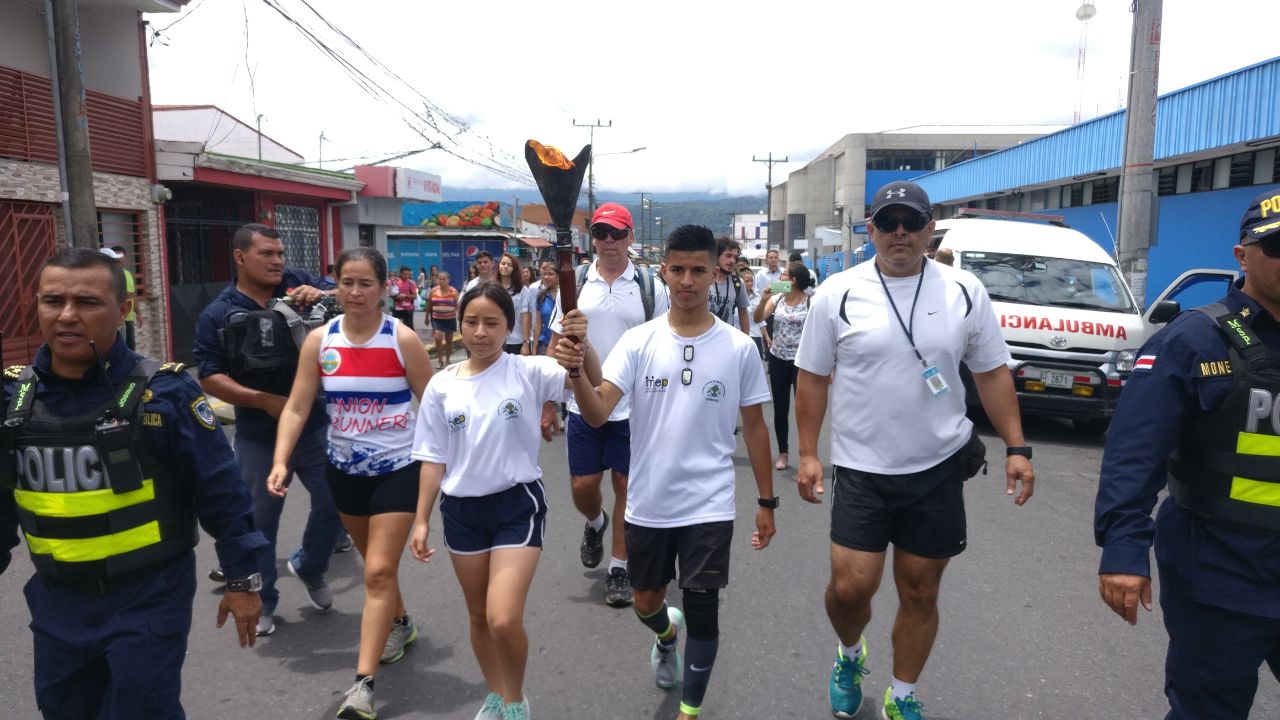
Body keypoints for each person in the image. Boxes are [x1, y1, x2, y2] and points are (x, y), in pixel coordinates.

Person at [793, 181, 1034, 720]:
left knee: (920, 591)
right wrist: (809, 453)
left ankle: (901, 696)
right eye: (887, 221)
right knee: (851, 587)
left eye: (911, 221)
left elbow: (992, 372)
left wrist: (1018, 446)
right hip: (862, 468)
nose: (899, 232)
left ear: (930, 230)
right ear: (871, 230)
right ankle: (850, 653)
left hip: (937, 467)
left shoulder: (964, 290)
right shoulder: (838, 292)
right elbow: (811, 377)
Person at [0, 247, 268, 718]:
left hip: (147, 601)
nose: (66, 316)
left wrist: (243, 581)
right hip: (57, 604)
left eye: (86, 302)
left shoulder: (163, 393)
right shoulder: (13, 397)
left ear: (122, 310)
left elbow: (223, 496)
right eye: (52, 301)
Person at [556, 223, 776, 720]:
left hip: (709, 503)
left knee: (704, 608)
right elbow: (597, 412)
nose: (688, 281)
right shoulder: (638, 342)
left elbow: (757, 429)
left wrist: (766, 501)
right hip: (649, 502)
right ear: (664, 271)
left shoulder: (739, 347)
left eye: (698, 270)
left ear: (714, 271)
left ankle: (689, 710)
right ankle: (664, 635)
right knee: (645, 601)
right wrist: (575, 373)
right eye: (678, 270)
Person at [1094, 188, 1280, 720]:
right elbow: (1135, 451)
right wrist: (1125, 550)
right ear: (1242, 256)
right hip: (1221, 574)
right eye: (1279, 246)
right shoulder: (1196, 339)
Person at [268, 247, 432, 720]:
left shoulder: (401, 340)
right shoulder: (321, 341)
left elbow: (435, 405)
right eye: (347, 283)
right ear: (334, 286)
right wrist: (281, 460)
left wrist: (444, 467)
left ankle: (362, 687)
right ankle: (401, 622)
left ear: (384, 289)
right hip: (343, 472)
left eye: (365, 284)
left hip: (398, 471)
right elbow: (298, 406)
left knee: (377, 572)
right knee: (377, 568)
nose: (355, 292)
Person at [409, 283, 574, 720]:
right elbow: (432, 457)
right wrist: (422, 520)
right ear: (459, 324)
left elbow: (582, 382)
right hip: (462, 511)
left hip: (516, 505)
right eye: (471, 322)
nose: (480, 332)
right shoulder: (441, 386)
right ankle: (496, 693)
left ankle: (517, 700)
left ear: (508, 327)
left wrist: (580, 348)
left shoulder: (529, 370)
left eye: (491, 323)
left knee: (502, 617)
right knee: (479, 616)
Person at [193, 222, 344, 636]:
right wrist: (264, 400)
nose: (278, 261)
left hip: (314, 428)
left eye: (279, 253)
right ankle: (266, 601)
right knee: (261, 524)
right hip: (260, 436)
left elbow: (350, 293)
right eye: (267, 254)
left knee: (337, 503)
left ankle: (310, 566)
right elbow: (209, 377)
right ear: (241, 258)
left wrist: (323, 293)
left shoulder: (295, 283)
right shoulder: (218, 313)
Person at [546, 201, 669, 606]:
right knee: (583, 487)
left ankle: (619, 568)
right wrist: (548, 400)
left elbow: (666, 343)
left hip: (634, 407)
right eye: (602, 233)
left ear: (630, 237)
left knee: (626, 486)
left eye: (618, 233)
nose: (609, 241)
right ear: (592, 239)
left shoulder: (651, 288)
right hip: (583, 404)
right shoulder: (576, 281)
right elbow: (555, 344)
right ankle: (594, 522)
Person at [755, 262, 815, 471]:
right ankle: (783, 452)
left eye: (784, 275)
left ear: (793, 281)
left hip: (802, 362)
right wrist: (762, 301)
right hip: (778, 359)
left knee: (804, 410)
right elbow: (758, 318)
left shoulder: (811, 302)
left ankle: (807, 453)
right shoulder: (777, 298)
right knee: (781, 409)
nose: (779, 277)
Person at [707, 237, 750, 333]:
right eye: (728, 255)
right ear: (716, 256)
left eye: (735, 257)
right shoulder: (704, 279)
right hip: (703, 337)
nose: (732, 261)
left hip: (727, 339)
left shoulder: (738, 283)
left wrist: (746, 339)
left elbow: (743, 313)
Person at [99, 246, 138, 350]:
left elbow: (130, 295)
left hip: (120, 319)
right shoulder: (102, 277)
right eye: (115, 260)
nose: (118, 263)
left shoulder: (118, 275)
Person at [497, 252, 534, 355]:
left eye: (509, 265)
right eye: (503, 263)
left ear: (514, 269)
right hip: (495, 340)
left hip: (516, 341)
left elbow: (525, 317)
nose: (505, 267)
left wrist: (526, 343)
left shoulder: (522, 290)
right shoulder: (492, 288)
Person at [430, 271, 459, 370]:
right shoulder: (433, 291)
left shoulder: (453, 291)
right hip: (437, 319)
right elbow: (429, 305)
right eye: (439, 279)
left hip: (450, 319)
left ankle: (447, 359)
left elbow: (457, 305)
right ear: (437, 280)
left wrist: (460, 316)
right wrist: (426, 317)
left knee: (449, 341)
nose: (441, 281)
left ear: (448, 280)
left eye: (444, 279)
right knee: (438, 338)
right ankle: (439, 360)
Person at [740, 266, 768, 361]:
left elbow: (760, 320)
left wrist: (767, 337)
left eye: (751, 281)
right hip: (740, 335)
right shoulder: (735, 296)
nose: (750, 283)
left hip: (755, 336)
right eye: (747, 281)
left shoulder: (758, 297)